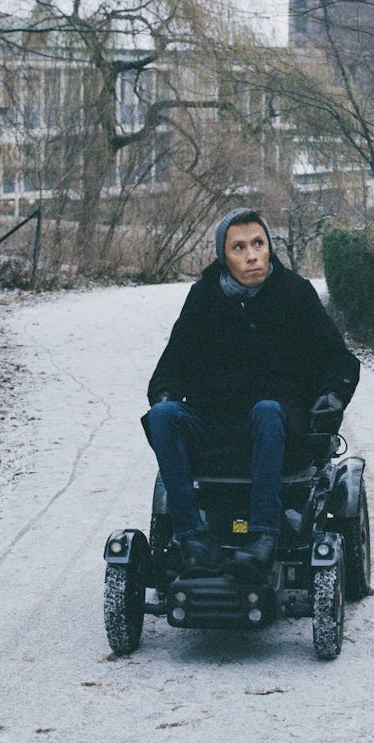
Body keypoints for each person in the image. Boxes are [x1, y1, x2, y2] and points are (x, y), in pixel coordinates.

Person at [145, 207, 360, 580]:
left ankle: (264, 537)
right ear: (223, 257)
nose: (251, 255)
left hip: (279, 426)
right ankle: (193, 539)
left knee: (265, 410)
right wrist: (164, 395)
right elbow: (169, 368)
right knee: (163, 417)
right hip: (217, 426)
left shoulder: (294, 293)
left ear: (269, 246)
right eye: (239, 247)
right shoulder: (204, 298)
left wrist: (331, 398)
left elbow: (338, 361)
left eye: (258, 243)